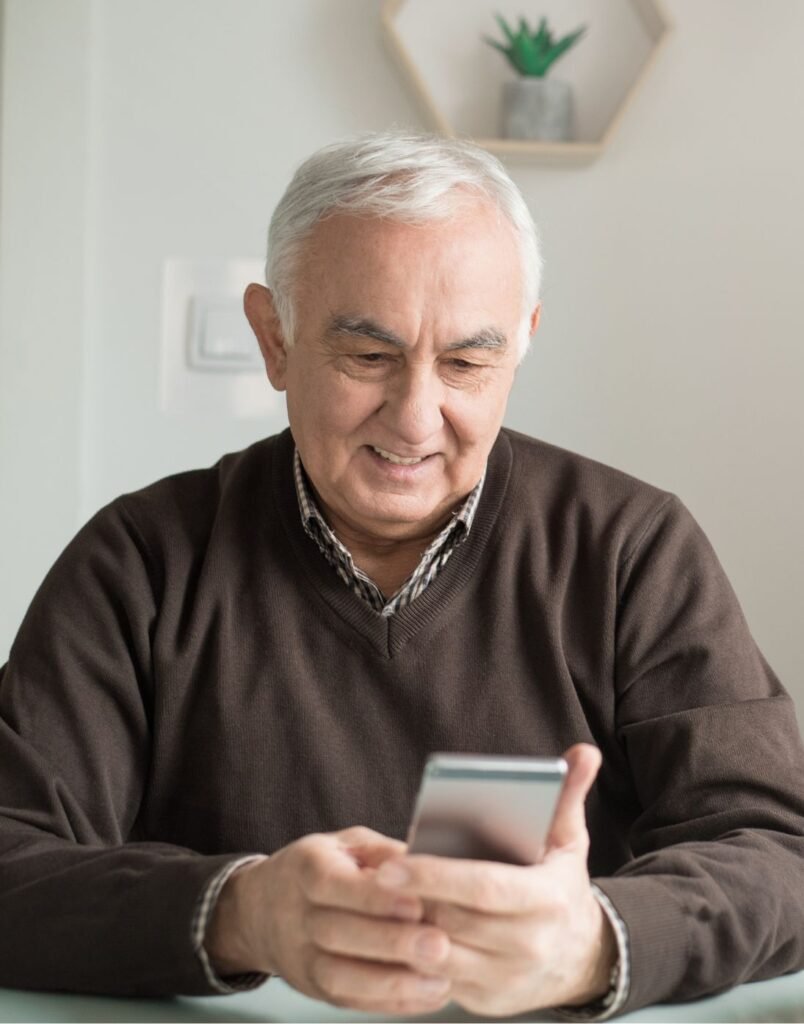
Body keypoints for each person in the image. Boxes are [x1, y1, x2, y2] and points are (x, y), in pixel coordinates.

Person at [1, 130, 803, 1021]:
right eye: (369, 356)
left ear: (522, 344)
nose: (418, 417)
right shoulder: (141, 563)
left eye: (467, 361)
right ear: (275, 338)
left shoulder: (632, 548)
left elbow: (776, 850)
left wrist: (598, 941)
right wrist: (241, 912)